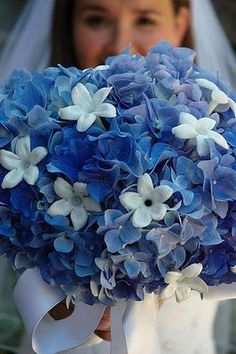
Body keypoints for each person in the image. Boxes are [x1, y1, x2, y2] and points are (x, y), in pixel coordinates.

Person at [0, 1, 236, 353]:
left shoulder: (222, 133)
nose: (119, 41)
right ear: (70, 24)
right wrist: (72, 303)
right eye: (96, 19)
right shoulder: (30, 131)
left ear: (181, 22)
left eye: (145, 18)